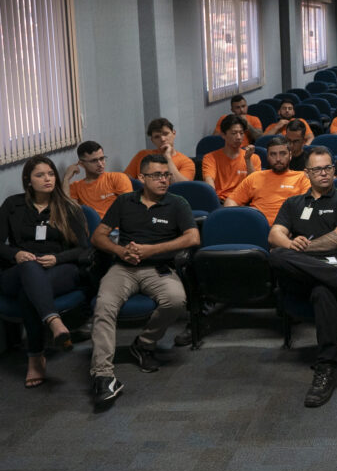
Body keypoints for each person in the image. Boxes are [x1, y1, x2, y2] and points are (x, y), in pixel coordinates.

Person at [267, 147, 337, 407]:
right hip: (310, 270)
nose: (324, 173)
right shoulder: (293, 203)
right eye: (317, 169)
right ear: (307, 173)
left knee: (322, 289)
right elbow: (275, 236)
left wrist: (301, 246)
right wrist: (289, 244)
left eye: (328, 167)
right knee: (275, 255)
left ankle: (325, 366)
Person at [89, 154, 199, 404]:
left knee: (176, 300)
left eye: (166, 175)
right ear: (142, 178)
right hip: (123, 267)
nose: (163, 180)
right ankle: (103, 374)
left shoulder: (177, 203)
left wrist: (152, 250)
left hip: (158, 267)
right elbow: (98, 236)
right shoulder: (124, 202)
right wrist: (120, 251)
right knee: (104, 306)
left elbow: (193, 238)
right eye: (156, 175)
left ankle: (145, 343)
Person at [1, 156, 89, 387]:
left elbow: (84, 248)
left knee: (27, 293)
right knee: (28, 268)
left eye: (50, 174)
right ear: (28, 180)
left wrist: (57, 258)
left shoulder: (68, 207)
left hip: (59, 269)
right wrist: (15, 255)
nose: (47, 179)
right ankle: (54, 322)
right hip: (18, 269)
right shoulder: (13, 205)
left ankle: (35, 358)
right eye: (40, 175)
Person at [225, 136, 311, 224]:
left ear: (290, 155)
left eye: (282, 153)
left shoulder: (302, 178)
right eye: (273, 154)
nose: (278, 159)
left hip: (286, 228)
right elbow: (230, 202)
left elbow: (307, 207)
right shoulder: (255, 176)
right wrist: (241, 214)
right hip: (255, 226)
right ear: (267, 157)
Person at [63, 141, 134, 217]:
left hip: (117, 227)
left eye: (102, 158)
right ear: (81, 164)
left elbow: (130, 211)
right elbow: (70, 212)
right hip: (93, 227)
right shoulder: (76, 187)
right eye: (94, 161)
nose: (100, 164)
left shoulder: (118, 178)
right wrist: (66, 178)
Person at [202, 115, 260, 202]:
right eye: (234, 133)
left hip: (245, 202)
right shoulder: (210, 158)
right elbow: (209, 183)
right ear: (223, 135)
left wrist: (248, 160)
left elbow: (255, 185)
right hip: (220, 201)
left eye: (241, 133)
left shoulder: (253, 158)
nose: (239, 137)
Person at [125, 118, 196, 183]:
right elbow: (125, 179)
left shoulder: (186, 162)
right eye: (157, 137)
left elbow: (181, 187)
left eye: (166, 134)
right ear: (152, 140)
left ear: (174, 133)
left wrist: (167, 157)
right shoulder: (142, 155)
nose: (162, 139)